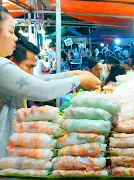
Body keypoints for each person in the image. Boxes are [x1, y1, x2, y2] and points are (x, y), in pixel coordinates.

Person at [0, 7, 100, 158]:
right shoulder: (1, 66)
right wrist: (79, 79)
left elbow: (35, 81)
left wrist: (72, 74)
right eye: (11, 31)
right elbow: (44, 90)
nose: (15, 38)